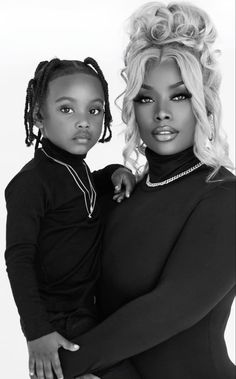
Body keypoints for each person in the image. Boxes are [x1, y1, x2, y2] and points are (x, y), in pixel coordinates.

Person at [50, 3, 235, 379]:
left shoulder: (224, 196)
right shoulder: (123, 195)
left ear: (205, 105)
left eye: (180, 96)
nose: (162, 112)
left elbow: (167, 310)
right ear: (132, 106)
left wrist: (61, 365)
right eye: (147, 98)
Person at [4, 57, 141, 379]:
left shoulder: (73, 168)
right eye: (67, 109)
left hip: (91, 310)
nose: (83, 122)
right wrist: (37, 332)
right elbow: (19, 258)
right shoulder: (31, 183)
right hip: (60, 322)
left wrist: (114, 173)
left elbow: (85, 189)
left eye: (94, 110)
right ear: (39, 115)